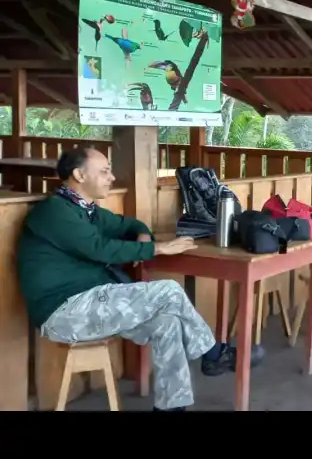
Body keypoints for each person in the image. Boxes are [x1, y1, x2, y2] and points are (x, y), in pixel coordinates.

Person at [16, 146, 235, 412]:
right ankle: (212, 353)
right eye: (105, 171)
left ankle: (171, 407)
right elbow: (99, 248)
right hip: (63, 311)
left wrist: (143, 234)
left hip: (94, 301)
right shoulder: (55, 212)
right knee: (169, 290)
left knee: (167, 323)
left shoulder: (88, 211)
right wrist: (158, 248)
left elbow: (128, 225)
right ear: (79, 175)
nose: (111, 178)